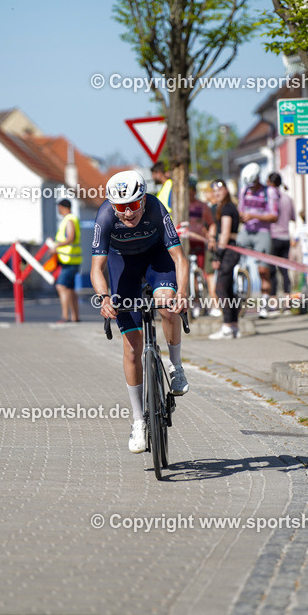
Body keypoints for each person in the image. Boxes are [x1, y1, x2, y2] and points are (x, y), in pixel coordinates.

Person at [91, 170, 189, 454]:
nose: (128, 212)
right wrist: (104, 297)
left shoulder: (158, 208)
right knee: (132, 348)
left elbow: (179, 258)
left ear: (144, 199)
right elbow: (96, 268)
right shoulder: (105, 217)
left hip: (156, 259)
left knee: (167, 305)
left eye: (133, 205)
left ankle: (176, 367)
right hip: (123, 264)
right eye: (121, 207)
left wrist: (182, 293)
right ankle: (138, 421)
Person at [236, 163, 278, 319]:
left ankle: (265, 304)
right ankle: (239, 290)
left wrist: (254, 216)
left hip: (262, 232)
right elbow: (241, 209)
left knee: (263, 271)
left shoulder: (270, 192)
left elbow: (274, 216)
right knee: (234, 256)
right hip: (246, 230)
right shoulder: (243, 190)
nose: (251, 188)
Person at [207, 179, 242, 339]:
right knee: (228, 289)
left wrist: (218, 254)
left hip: (229, 250)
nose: (217, 194)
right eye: (214, 192)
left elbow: (225, 233)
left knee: (220, 289)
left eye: (219, 191)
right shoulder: (225, 207)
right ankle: (233, 326)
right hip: (230, 249)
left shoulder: (227, 208)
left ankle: (227, 326)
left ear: (226, 191)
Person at [266, 172, 294, 314]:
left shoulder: (270, 197)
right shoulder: (288, 198)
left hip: (272, 236)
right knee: (284, 271)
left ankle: (273, 304)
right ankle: (287, 304)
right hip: (285, 237)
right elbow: (293, 218)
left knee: (271, 272)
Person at [53, 198, 82, 322]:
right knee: (70, 289)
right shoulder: (72, 219)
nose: (58, 210)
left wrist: (56, 246)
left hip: (69, 260)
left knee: (61, 287)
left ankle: (65, 316)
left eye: (59, 207)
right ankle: (75, 317)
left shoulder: (69, 219)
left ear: (63, 207)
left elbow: (71, 237)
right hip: (71, 260)